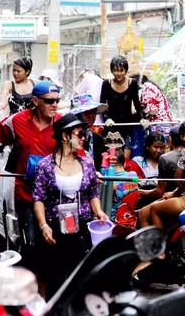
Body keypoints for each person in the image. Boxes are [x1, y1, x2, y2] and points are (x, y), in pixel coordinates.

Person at [0, 81, 62, 274]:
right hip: (26, 194)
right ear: (35, 101)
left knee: (57, 248)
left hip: (56, 196)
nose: (54, 105)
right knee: (32, 245)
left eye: (57, 101)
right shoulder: (16, 121)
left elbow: (79, 152)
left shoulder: (62, 123)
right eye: (49, 101)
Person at [32, 113, 109, 299]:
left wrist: (98, 211)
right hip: (55, 229)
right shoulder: (45, 166)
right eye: (80, 134)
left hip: (81, 228)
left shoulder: (87, 164)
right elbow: (38, 199)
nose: (84, 138)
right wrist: (43, 226)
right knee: (56, 279)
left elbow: (92, 193)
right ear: (65, 136)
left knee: (81, 278)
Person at [101, 55, 148, 159]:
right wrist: (106, 118)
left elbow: (137, 103)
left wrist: (142, 118)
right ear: (112, 71)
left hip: (127, 125)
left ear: (126, 70)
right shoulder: (106, 83)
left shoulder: (132, 83)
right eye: (115, 70)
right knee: (111, 157)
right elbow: (102, 105)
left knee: (125, 158)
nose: (119, 74)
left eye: (121, 70)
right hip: (111, 126)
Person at [70, 93, 109, 171]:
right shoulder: (67, 138)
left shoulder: (98, 139)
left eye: (93, 111)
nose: (91, 115)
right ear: (77, 114)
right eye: (87, 112)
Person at [75, 69, 105, 134]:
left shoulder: (89, 78)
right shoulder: (101, 81)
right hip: (101, 124)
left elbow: (75, 96)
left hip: (90, 124)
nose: (81, 80)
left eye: (82, 77)